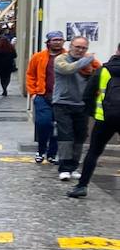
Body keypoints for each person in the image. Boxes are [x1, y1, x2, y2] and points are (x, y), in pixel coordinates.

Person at [68, 43, 120, 198]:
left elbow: (87, 95)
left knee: (94, 152)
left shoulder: (103, 70)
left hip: (105, 118)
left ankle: (82, 186)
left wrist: (95, 113)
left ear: (117, 50)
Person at [53, 36, 101, 181]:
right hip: (62, 103)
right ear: (70, 46)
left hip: (82, 104)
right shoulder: (61, 59)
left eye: (83, 48)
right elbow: (68, 70)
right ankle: (64, 167)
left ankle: (73, 166)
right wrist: (86, 60)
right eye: (77, 47)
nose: (80, 50)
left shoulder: (90, 62)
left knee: (80, 136)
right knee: (66, 136)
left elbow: (98, 73)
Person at [26, 31, 65, 163]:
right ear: (48, 42)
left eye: (60, 40)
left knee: (57, 126)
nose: (58, 42)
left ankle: (52, 154)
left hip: (61, 98)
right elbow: (30, 74)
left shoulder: (68, 57)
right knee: (43, 123)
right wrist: (33, 93)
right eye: (55, 40)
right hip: (43, 96)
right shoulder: (39, 57)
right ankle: (41, 150)